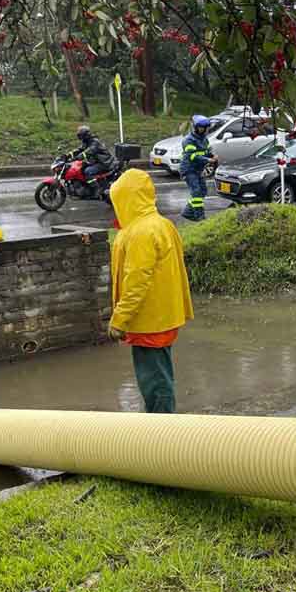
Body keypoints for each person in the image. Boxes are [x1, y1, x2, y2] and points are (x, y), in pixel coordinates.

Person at [107, 168, 194, 413]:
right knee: (160, 374)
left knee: (154, 381)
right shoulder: (161, 224)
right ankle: (161, 421)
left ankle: (161, 431)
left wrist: (120, 320)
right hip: (164, 315)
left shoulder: (141, 232)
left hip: (150, 321)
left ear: (127, 198)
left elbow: (136, 280)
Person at [179, 115, 215, 221]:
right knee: (196, 192)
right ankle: (200, 216)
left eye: (206, 128)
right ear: (195, 127)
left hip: (198, 170)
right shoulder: (188, 140)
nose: (204, 130)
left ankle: (187, 212)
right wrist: (208, 160)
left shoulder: (205, 140)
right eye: (202, 128)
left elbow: (208, 152)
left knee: (203, 191)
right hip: (188, 170)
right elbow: (192, 156)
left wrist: (213, 156)